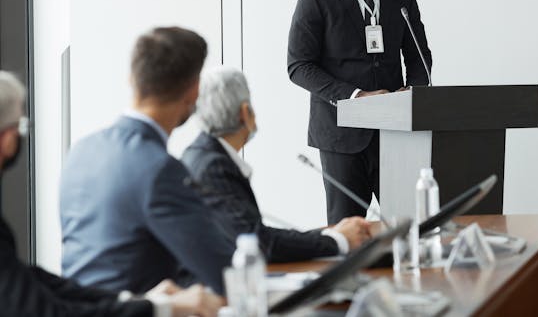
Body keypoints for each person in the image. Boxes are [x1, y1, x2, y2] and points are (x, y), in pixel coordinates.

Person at [0, 71, 223, 317]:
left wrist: (139, 300)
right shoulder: (158, 166)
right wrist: (161, 307)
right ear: (8, 139)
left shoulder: (83, 151)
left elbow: (44, 284)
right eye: (21, 126)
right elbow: (47, 311)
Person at [60, 27, 235, 295]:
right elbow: (225, 275)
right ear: (194, 91)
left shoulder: (81, 151)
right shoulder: (160, 169)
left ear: (133, 78)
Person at [287, 0, 432, 224]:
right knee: (348, 231)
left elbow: (419, 55)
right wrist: (355, 97)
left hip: (397, 131)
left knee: (407, 225)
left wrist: (415, 93)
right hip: (341, 135)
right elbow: (298, 65)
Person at [182, 66, 372, 263]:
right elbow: (260, 243)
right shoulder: (214, 166)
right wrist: (337, 240)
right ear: (245, 112)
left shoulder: (202, 155)